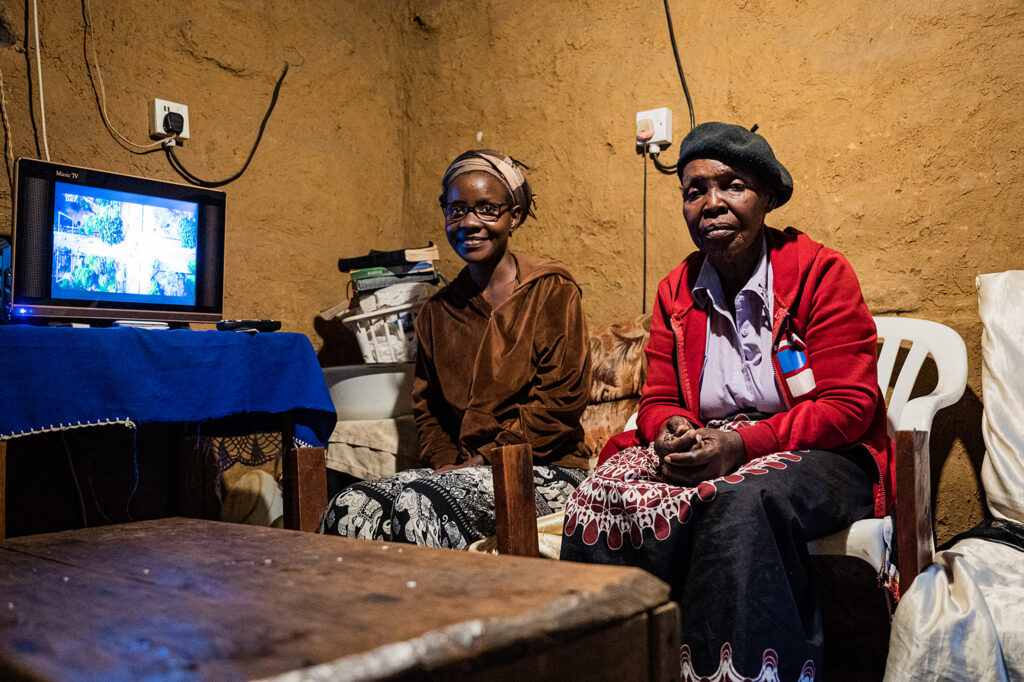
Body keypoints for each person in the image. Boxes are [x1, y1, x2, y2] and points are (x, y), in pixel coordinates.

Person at [560, 122, 894, 681]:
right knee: (601, 493)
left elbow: (849, 405)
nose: (711, 203)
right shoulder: (676, 291)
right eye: (694, 191)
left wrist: (742, 444)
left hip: (824, 451)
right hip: (720, 443)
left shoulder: (819, 273)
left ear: (765, 197)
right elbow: (660, 399)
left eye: (732, 185)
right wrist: (673, 431)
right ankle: (626, 666)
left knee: (738, 500)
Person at [319, 149, 592, 549]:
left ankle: (444, 613)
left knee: (419, 503)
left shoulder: (551, 291)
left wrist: (480, 461)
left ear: (514, 216)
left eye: (487, 209)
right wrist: (447, 464)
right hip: (466, 469)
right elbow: (427, 411)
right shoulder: (436, 313)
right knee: (350, 505)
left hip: (547, 468)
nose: (469, 223)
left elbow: (561, 403)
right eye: (457, 209)